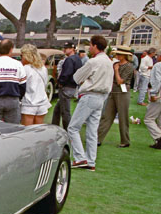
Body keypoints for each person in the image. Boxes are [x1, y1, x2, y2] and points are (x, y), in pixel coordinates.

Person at [67, 35, 113, 171]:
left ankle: (80, 158)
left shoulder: (93, 62)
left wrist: (84, 81)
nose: (89, 48)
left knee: (73, 128)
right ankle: (91, 161)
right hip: (101, 97)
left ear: (95, 46)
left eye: (90, 45)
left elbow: (76, 77)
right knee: (92, 131)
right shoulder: (109, 61)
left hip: (90, 95)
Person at [97, 46, 134, 148]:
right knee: (106, 116)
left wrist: (116, 70)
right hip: (113, 91)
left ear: (125, 55)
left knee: (123, 117)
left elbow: (120, 81)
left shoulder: (129, 66)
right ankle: (97, 139)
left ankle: (125, 141)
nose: (117, 56)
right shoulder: (115, 64)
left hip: (122, 92)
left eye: (119, 54)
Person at [53, 42, 82, 130]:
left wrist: (60, 82)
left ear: (72, 49)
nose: (64, 49)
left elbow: (66, 73)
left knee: (65, 112)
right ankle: (54, 127)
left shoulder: (70, 59)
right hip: (73, 86)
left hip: (66, 86)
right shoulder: (77, 58)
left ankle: (68, 131)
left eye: (67, 48)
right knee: (57, 109)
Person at [20, 44, 51, 126]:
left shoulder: (25, 69)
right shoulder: (43, 68)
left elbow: (22, 86)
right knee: (38, 131)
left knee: (27, 132)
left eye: (21, 55)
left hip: (29, 103)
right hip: (42, 102)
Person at [145, 52, 161, 149]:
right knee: (160, 120)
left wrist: (154, 93)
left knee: (149, 119)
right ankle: (158, 142)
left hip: (159, 93)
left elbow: (158, 81)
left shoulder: (158, 66)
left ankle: (159, 137)